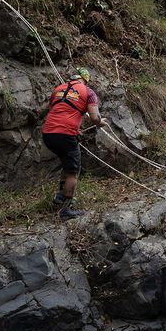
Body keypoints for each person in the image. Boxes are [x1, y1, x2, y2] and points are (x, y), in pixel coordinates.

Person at [41, 67, 108, 220]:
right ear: (85, 79)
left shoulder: (58, 89)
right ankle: (66, 210)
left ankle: (60, 195)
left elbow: (58, 110)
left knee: (67, 162)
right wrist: (100, 123)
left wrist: (74, 128)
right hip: (65, 134)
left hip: (48, 134)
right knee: (73, 171)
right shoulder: (88, 92)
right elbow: (94, 117)